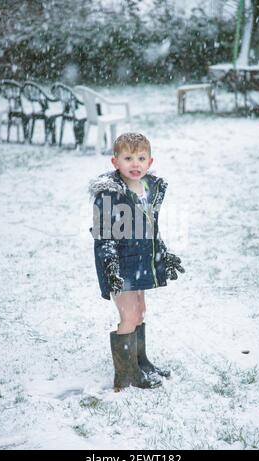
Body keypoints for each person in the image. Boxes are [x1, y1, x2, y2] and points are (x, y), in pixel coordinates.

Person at [88, 133, 185, 391]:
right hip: (118, 263)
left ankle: (141, 362)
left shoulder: (149, 190)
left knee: (140, 311)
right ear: (115, 161)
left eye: (141, 158)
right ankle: (126, 374)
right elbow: (103, 234)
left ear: (150, 161)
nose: (135, 163)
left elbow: (151, 229)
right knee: (128, 314)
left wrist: (163, 253)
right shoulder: (109, 194)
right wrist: (110, 266)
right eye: (128, 158)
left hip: (139, 259)